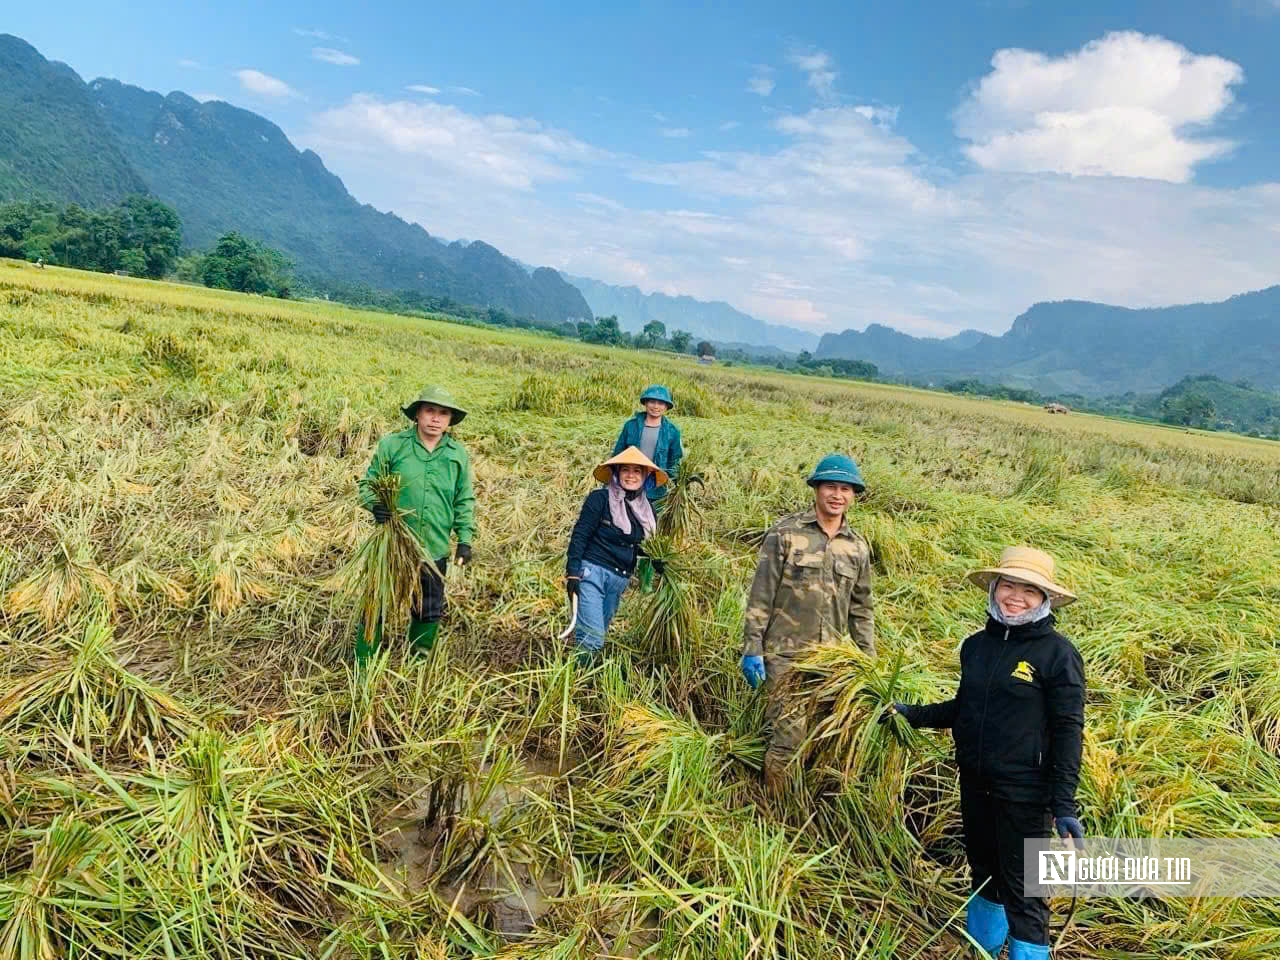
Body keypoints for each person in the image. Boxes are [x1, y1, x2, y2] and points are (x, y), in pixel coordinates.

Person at [882, 547, 1085, 960]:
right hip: (976, 785)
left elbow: (1068, 731)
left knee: (1025, 891)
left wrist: (1063, 804)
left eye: (1029, 590)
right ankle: (982, 949)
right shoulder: (976, 646)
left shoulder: (1057, 655)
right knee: (984, 877)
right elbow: (964, 708)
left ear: (1045, 599)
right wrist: (910, 715)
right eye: (1009, 585)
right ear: (994, 588)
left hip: (1026, 795)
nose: (1016, 597)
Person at [741, 453, 875, 793]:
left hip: (830, 659)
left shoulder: (857, 547)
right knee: (788, 735)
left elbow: (861, 609)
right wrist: (752, 648)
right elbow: (761, 595)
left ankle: (806, 796)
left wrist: (868, 661)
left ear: (853, 496)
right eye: (830, 486)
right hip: (783, 654)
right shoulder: (785, 534)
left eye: (845, 489)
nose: (837, 495)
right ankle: (778, 810)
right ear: (816, 489)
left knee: (817, 733)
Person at [356, 385, 475, 663]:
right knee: (377, 604)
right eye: (430, 411)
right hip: (391, 545)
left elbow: (464, 499)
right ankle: (363, 664)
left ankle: (417, 663)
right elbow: (367, 483)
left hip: (433, 548)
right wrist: (376, 505)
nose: (435, 418)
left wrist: (465, 539)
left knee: (428, 608)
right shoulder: (393, 445)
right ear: (417, 415)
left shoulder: (457, 455)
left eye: (443, 414)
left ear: (449, 420)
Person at [565, 446, 666, 666]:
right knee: (592, 640)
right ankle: (574, 681)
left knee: (595, 634)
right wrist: (572, 573)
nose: (631, 475)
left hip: (619, 580)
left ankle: (580, 674)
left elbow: (638, 545)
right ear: (617, 473)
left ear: (645, 476)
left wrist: (657, 560)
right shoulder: (600, 499)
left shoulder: (647, 511)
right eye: (625, 470)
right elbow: (580, 535)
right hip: (592, 573)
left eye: (637, 471)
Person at [612, 385, 683, 506]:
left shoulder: (672, 431)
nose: (656, 406)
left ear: (666, 406)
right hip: (631, 477)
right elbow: (618, 453)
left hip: (655, 481)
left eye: (661, 403)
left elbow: (674, 461)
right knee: (626, 513)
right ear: (645, 403)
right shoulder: (631, 426)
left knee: (650, 518)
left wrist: (675, 485)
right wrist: (612, 478)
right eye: (652, 401)